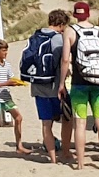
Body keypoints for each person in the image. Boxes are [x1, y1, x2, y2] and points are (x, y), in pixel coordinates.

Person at [59, 1, 99, 171]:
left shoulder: (70, 31)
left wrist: (61, 83)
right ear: (88, 14)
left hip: (79, 83)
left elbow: (66, 59)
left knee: (80, 123)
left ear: (75, 15)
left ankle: (80, 163)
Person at [25, 10, 69, 163]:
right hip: (55, 86)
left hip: (37, 86)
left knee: (46, 124)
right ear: (61, 24)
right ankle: (65, 152)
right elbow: (62, 62)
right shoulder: (58, 39)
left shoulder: (35, 36)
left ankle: (52, 158)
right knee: (66, 120)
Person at [0, 38, 25, 154]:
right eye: (3, 50)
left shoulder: (7, 64)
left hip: (6, 96)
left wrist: (17, 83)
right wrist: (6, 83)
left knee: (18, 117)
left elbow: (10, 78)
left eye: (6, 50)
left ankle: (19, 145)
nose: (5, 53)